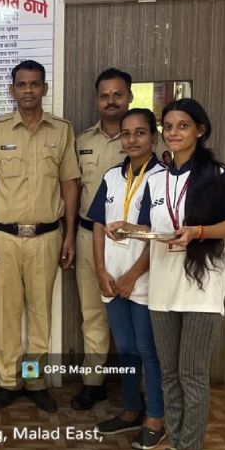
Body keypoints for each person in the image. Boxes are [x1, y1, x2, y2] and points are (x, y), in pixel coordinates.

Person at [107, 98, 225, 450]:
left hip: (200, 287)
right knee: (168, 372)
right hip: (163, 286)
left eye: (182, 126)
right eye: (168, 126)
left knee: (192, 373)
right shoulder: (156, 179)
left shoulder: (216, 174)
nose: (174, 133)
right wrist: (128, 229)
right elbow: (154, 230)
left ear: (200, 130)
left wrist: (199, 232)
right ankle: (177, 444)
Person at [0, 60, 80, 411]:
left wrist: (69, 235)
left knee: (39, 313)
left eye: (35, 84)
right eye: (22, 84)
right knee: (6, 312)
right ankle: (8, 380)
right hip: (3, 237)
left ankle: (33, 380)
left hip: (47, 237)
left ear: (44, 88)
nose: (29, 90)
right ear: (12, 90)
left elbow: (69, 184)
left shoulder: (61, 131)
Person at [87, 108, 166, 450]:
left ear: (154, 137)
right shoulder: (111, 177)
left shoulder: (163, 179)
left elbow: (161, 233)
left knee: (149, 351)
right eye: (126, 133)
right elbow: (98, 226)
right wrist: (101, 271)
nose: (132, 139)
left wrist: (132, 276)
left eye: (140, 133)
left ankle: (155, 418)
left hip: (143, 280)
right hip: (112, 279)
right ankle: (131, 410)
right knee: (126, 349)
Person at [71, 68, 133, 411]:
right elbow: (73, 190)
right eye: (105, 95)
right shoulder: (82, 142)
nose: (111, 101)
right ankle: (93, 384)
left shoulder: (142, 140)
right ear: (97, 100)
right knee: (92, 313)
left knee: (134, 315)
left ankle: (134, 388)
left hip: (131, 243)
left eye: (118, 94)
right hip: (86, 235)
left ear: (129, 97)